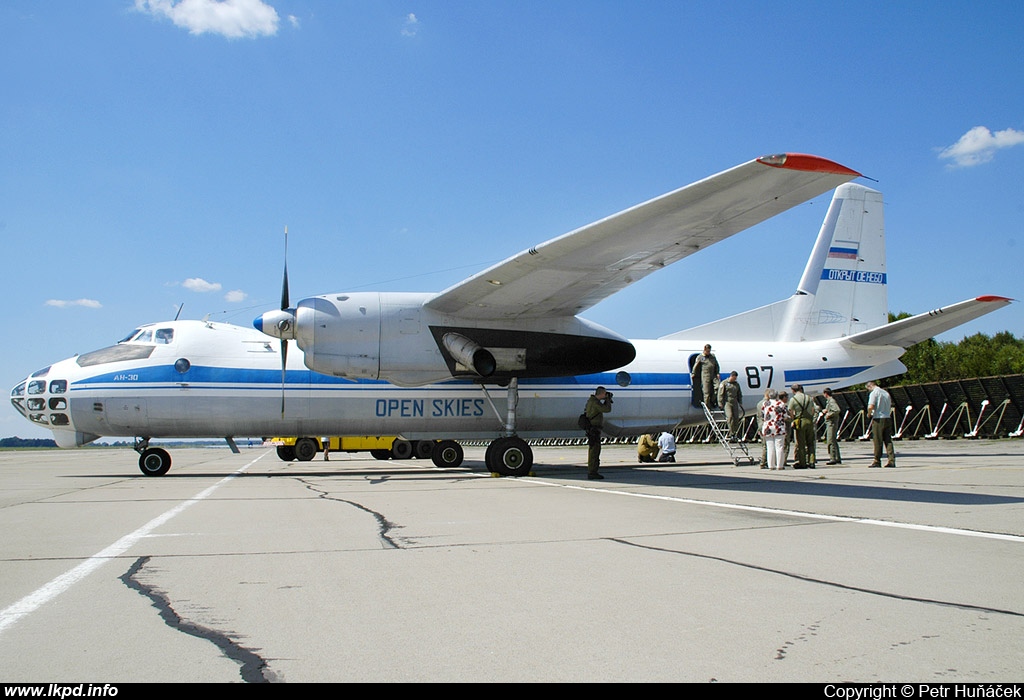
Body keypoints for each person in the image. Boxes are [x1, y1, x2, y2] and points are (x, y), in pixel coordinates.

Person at [583, 386, 613, 479]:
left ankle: (593, 471)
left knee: (594, 450)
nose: (605, 395)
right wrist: (608, 400)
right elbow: (607, 409)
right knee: (595, 451)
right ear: (601, 393)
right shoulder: (595, 402)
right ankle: (592, 472)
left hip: (593, 429)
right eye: (604, 394)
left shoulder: (593, 401)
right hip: (594, 429)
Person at [866, 381, 896, 468]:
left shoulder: (874, 393)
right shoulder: (885, 393)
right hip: (887, 417)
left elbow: (870, 406)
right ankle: (891, 460)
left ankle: (877, 460)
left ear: (870, 386)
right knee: (888, 440)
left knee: (878, 440)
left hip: (878, 418)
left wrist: (869, 414)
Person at [788, 384, 818, 468]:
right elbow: (813, 410)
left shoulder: (793, 399)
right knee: (810, 442)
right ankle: (812, 461)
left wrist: (793, 419)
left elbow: (790, 410)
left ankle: (803, 462)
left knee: (801, 444)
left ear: (793, 390)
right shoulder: (809, 398)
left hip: (800, 422)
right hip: (809, 421)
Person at [761, 390, 788, 470]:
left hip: (768, 427)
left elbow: (763, 415)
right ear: (777, 396)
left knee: (770, 447)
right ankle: (780, 465)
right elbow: (785, 415)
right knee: (779, 446)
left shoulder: (765, 404)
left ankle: (771, 465)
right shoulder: (781, 404)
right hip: (778, 426)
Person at [691, 344, 720, 408]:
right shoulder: (701, 357)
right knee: (706, 391)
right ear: (704, 350)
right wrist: (693, 373)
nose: (708, 352)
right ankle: (707, 406)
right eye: (707, 351)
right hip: (705, 375)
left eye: (709, 351)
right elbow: (696, 366)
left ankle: (712, 400)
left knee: (717, 387)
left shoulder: (712, 356)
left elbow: (716, 365)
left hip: (713, 374)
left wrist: (717, 373)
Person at [717, 371, 744, 439]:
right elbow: (720, 394)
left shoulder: (736, 384)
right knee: (730, 417)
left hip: (734, 402)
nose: (735, 379)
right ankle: (731, 432)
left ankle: (734, 432)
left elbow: (739, 394)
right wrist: (720, 403)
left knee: (736, 418)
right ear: (731, 376)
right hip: (727, 402)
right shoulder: (724, 383)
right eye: (734, 378)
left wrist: (740, 402)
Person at [821, 388, 842, 465]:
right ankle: (837, 457)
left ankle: (832, 458)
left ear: (826, 393)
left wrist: (829, 414)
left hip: (831, 423)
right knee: (833, 440)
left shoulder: (831, 401)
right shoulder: (829, 401)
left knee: (830, 440)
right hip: (831, 423)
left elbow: (836, 410)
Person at [755, 389, 771, 468]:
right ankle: (764, 462)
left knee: (764, 445)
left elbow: (758, 416)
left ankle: (765, 461)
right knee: (767, 445)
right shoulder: (768, 404)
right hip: (766, 425)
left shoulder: (759, 404)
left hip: (761, 424)